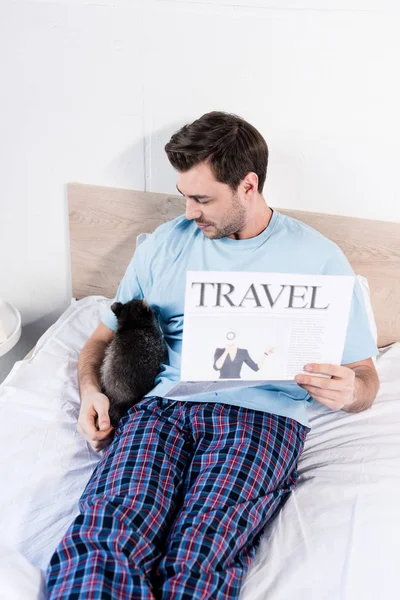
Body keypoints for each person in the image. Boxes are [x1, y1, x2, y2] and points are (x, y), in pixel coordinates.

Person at [46, 111, 379, 599]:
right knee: (108, 531)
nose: (188, 213)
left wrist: (351, 392)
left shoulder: (319, 258)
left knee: (202, 553)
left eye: (202, 199)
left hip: (261, 417)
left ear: (248, 185)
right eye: (185, 196)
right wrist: (92, 391)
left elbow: (365, 378)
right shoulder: (164, 245)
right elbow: (102, 336)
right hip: (164, 408)